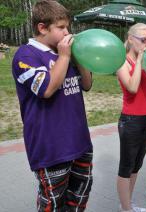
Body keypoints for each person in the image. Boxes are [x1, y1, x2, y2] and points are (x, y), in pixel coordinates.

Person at [11, 0, 93, 211]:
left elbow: (87, 84)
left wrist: (80, 58)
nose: (68, 32)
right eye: (61, 27)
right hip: (51, 147)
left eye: (68, 27)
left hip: (80, 142)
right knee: (54, 202)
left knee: (79, 196)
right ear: (42, 27)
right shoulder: (26, 55)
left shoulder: (65, 53)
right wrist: (64, 56)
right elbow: (46, 89)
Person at [116, 23, 146, 212]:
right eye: (143, 39)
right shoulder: (122, 62)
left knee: (136, 166)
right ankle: (125, 209)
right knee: (126, 167)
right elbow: (132, 88)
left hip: (144, 118)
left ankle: (128, 204)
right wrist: (140, 57)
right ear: (131, 38)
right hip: (130, 120)